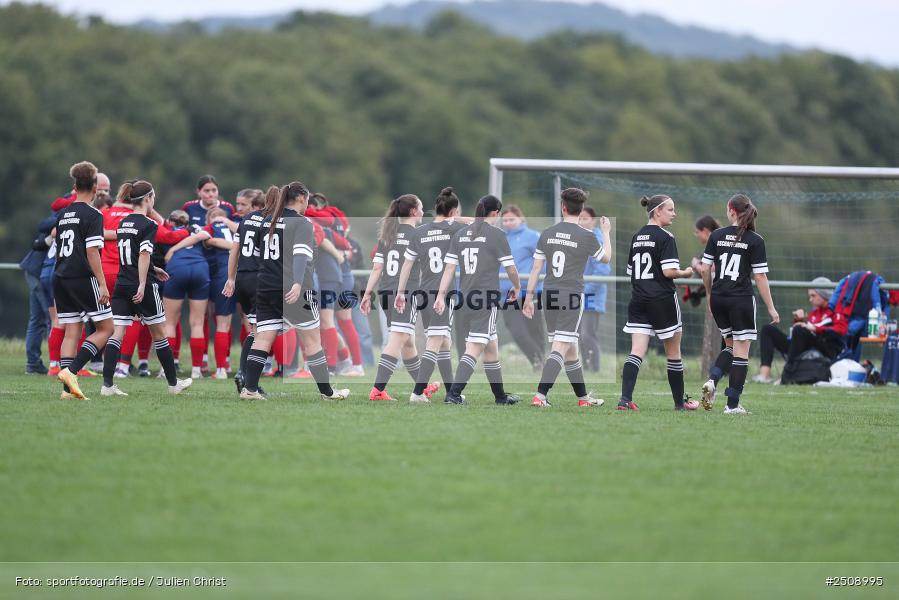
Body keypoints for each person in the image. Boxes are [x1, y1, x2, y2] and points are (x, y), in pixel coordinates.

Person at [239, 182, 349, 402]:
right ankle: (328, 393)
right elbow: (300, 256)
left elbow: (258, 254)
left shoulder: (267, 220)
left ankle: (249, 389)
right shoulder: (301, 223)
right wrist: (297, 283)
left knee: (262, 338)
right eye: (307, 199)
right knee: (312, 342)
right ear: (300, 198)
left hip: (266, 287)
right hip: (294, 289)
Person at [100, 180, 193, 396]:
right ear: (148, 198)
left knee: (118, 333)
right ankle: (173, 384)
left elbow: (132, 255)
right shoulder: (149, 224)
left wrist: (154, 267)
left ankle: (107, 385)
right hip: (142, 285)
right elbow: (142, 253)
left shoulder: (123, 223)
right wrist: (143, 282)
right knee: (159, 334)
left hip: (122, 283)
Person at [523, 188, 611, 407]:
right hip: (571, 295)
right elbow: (606, 258)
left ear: (563, 207)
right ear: (581, 210)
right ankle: (540, 396)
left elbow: (535, 268)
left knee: (570, 349)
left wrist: (528, 297)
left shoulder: (547, 233)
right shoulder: (587, 236)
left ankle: (583, 399)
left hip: (549, 294)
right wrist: (606, 232)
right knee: (560, 347)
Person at [434, 194, 521, 405]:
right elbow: (510, 268)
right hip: (485, 298)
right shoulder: (496, 235)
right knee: (475, 346)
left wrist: (440, 295)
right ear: (495, 213)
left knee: (491, 347)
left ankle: (500, 397)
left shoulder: (462, 234)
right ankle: (453, 394)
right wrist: (517, 286)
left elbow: (449, 269)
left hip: (463, 298)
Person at [700, 194, 779, 414]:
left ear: (730, 210)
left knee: (730, 346)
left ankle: (713, 380)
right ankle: (732, 405)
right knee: (741, 353)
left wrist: (709, 293)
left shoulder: (716, 235)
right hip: (740, 299)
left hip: (719, 298)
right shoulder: (755, 240)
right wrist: (772, 308)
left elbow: (705, 269)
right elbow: (760, 277)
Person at [618, 195, 698, 411]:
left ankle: (625, 400)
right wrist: (687, 272)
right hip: (662, 299)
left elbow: (631, 272)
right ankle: (679, 403)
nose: (675, 213)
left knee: (636, 350)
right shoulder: (666, 237)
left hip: (639, 299)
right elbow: (668, 271)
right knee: (673, 353)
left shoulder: (637, 236)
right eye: (671, 209)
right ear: (657, 211)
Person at [360, 194, 439, 402]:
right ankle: (377, 390)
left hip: (385, 292)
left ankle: (422, 386)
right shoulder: (418, 234)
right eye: (421, 208)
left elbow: (377, 268)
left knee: (408, 342)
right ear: (414, 211)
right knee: (398, 338)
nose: (423, 212)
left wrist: (368, 293)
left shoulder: (388, 235)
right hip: (405, 294)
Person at [395, 187, 470, 402]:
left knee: (444, 342)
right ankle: (418, 393)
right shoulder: (455, 229)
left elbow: (407, 265)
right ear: (453, 211)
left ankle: (451, 393)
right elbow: (480, 222)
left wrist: (401, 292)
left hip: (423, 292)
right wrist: (455, 219)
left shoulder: (420, 232)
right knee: (435, 343)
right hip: (441, 294)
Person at [53, 161, 114, 400]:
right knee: (106, 328)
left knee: (72, 330)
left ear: (74, 185)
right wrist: (102, 283)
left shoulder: (63, 213)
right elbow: (92, 252)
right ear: (96, 186)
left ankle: (67, 391)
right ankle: (72, 371)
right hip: (81, 276)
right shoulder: (93, 214)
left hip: (61, 276)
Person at [754, 277, 842, 383]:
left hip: (825, 347)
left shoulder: (835, 311)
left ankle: (787, 374)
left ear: (824, 294)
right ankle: (764, 376)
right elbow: (807, 333)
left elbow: (839, 329)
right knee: (768, 329)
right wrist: (799, 321)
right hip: (806, 347)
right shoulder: (815, 313)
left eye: (813, 296)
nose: (810, 299)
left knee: (799, 329)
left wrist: (808, 327)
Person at [223, 190, 267, 393]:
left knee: (254, 330)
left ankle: (247, 377)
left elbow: (235, 250)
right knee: (261, 332)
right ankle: (247, 377)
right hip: (260, 279)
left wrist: (231, 278)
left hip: (242, 278)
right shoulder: (269, 222)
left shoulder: (246, 219)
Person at [162, 213, 213, 379]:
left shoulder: (168, 229)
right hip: (200, 268)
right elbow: (205, 235)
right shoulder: (196, 229)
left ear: (170, 221)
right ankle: (196, 370)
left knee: (169, 322)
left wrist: (172, 249)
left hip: (177, 268)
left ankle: (166, 370)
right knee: (197, 323)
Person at [498, 206, 546, 368]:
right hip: (507, 293)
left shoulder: (533, 236)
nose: (508, 223)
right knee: (516, 330)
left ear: (521, 219)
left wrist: (533, 283)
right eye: (505, 220)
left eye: (512, 219)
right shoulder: (500, 237)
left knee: (535, 330)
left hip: (530, 292)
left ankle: (541, 366)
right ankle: (538, 361)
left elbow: (543, 262)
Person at [20, 213, 57, 374]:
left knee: (38, 320)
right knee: (50, 319)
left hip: (36, 273)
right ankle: (54, 363)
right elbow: (38, 240)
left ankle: (33, 364)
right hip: (38, 273)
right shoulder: (57, 219)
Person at [204, 206, 238, 379]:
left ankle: (221, 369)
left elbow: (208, 240)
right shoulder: (238, 225)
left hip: (224, 276)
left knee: (222, 324)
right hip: (246, 273)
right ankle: (253, 367)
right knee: (251, 322)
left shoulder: (209, 228)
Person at [578, 206, 611, 372]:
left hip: (591, 297)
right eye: (579, 218)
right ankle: (587, 368)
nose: (581, 221)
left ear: (593, 220)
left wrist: (584, 290)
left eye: (585, 218)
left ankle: (594, 368)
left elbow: (603, 271)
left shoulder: (596, 239)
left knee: (587, 334)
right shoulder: (580, 238)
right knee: (579, 336)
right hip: (579, 295)